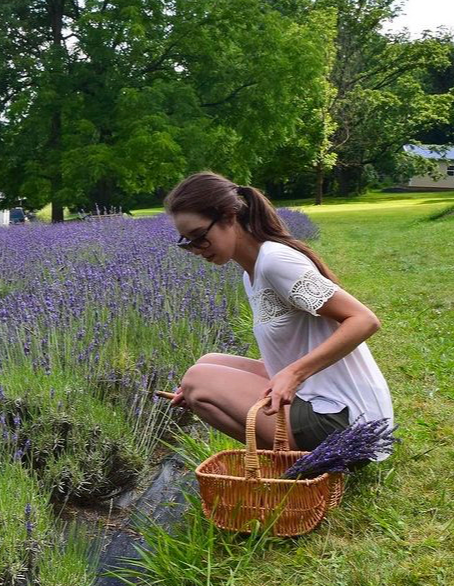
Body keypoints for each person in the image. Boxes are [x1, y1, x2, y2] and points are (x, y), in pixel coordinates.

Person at [166, 171, 393, 457]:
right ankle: (291, 460)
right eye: (186, 242)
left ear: (228, 216)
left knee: (198, 379)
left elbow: (363, 320)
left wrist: (294, 373)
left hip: (345, 420)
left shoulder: (276, 262)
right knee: (208, 364)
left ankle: (305, 461)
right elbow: (292, 347)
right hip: (322, 405)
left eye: (199, 237)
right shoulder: (252, 274)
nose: (196, 250)